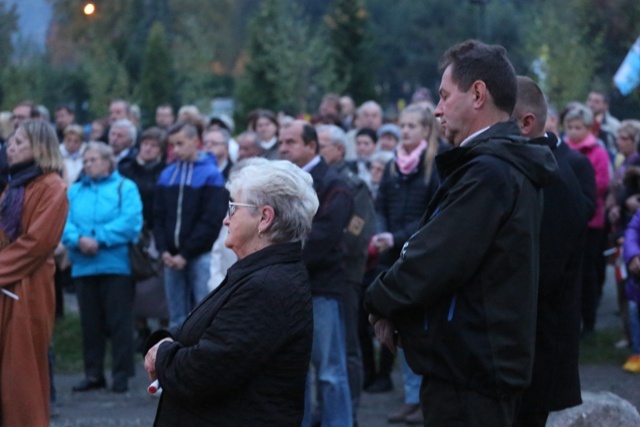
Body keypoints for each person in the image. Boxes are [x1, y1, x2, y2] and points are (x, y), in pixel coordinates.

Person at [365, 40, 557, 425]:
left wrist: (378, 300)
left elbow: (435, 258)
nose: (437, 110)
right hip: (474, 364)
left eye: (444, 95)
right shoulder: (495, 166)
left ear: (478, 94)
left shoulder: (489, 172)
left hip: (471, 370)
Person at [143, 158, 317, 426]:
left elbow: (206, 372)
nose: (225, 219)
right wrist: (166, 341)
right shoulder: (258, 272)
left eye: (233, 208)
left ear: (265, 218)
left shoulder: (267, 286)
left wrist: (163, 354)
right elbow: (212, 329)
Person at [511, 76, 589, 426]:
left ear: (526, 123)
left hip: (533, 359)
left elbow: (540, 276)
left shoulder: (551, 179)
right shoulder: (539, 166)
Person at [368, 105, 444, 425]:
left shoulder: (434, 165)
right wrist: (383, 233)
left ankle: (422, 397)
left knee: (418, 327)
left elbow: (432, 212)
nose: (406, 131)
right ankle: (413, 397)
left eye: (413, 125)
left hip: (416, 254)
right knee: (400, 327)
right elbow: (380, 204)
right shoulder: (392, 167)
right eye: (403, 125)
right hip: (392, 254)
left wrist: (397, 236)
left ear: (427, 130)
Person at [279, 120, 354, 427]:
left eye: (290, 142)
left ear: (311, 146)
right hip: (289, 288)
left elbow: (324, 235)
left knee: (330, 372)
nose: (282, 148)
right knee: (294, 370)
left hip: (321, 288)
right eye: (281, 142)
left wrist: (281, 253)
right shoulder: (282, 181)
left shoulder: (334, 183)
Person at [0, 120, 69, 426]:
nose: (9, 148)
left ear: (39, 147)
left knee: (21, 371)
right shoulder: (14, 185)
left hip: (28, 286)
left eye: (18, 142)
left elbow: (37, 243)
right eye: (10, 142)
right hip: (7, 281)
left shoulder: (52, 186)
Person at [63, 142, 143, 393]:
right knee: (90, 323)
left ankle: (121, 375)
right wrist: (79, 240)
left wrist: (98, 238)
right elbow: (64, 222)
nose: (87, 164)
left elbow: (131, 222)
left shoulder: (125, 187)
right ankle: (93, 374)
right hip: (83, 266)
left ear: (109, 162)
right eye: (85, 161)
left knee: (119, 323)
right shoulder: (74, 191)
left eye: (93, 159)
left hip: (115, 265)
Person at [154, 122, 227, 328]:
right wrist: (163, 250)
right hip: (171, 257)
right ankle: (177, 358)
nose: (175, 150)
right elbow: (158, 216)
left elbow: (211, 220)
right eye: (172, 145)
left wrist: (185, 254)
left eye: (180, 143)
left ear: (196, 142)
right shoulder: (166, 174)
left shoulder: (211, 174)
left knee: (203, 313)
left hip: (199, 254)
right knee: (176, 317)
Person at [118, 127, 169, 351]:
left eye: (154, 145)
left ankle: (162, 332)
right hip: (133, 232)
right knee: (135, 281)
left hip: (157, 230)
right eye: (145, 144)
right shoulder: (126, 169)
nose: (148, 148)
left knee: (159, 284)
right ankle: (141, 330)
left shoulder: (166, 171)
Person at [563, 103, 611, 339]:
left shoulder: (597, 152)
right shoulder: (563, 150)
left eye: (577, 127)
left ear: (588, 128)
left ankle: (589, 322)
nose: (573, 131)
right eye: (569, 127)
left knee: (588, 273)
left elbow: (601, 183)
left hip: (591, 223)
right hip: (566, 223)